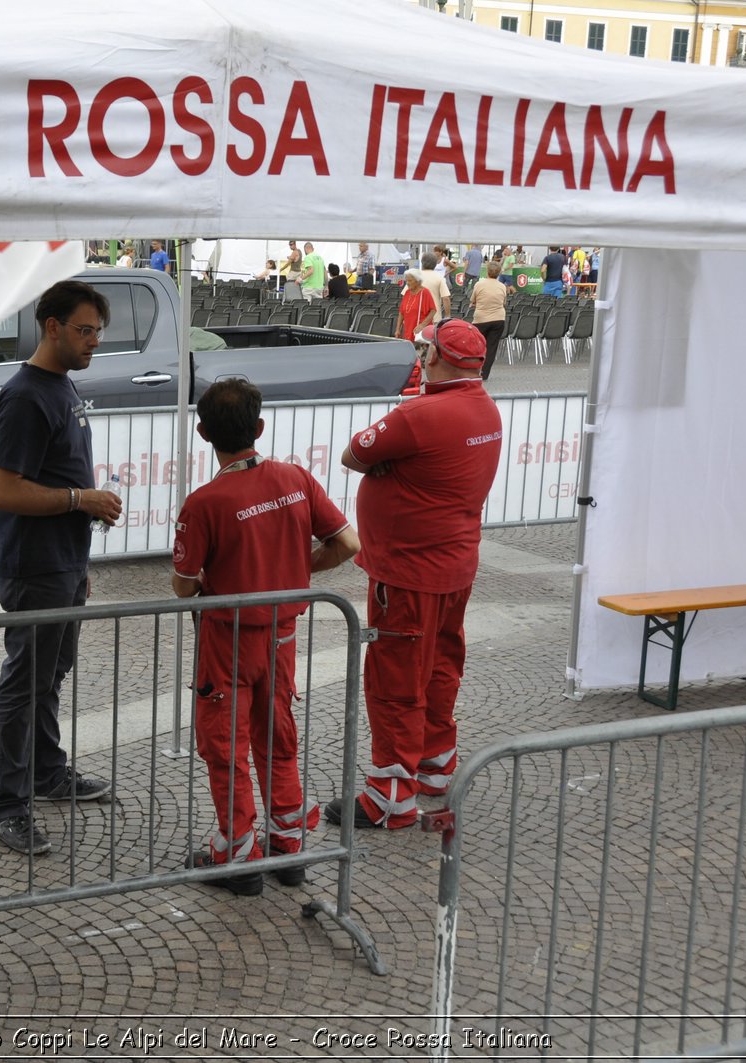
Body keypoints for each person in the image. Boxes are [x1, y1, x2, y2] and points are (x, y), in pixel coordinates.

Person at [172, 379, 360, 894]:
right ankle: (287, 845)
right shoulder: (296, 478)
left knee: (224, 746)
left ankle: (237, 856)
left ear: (204, 432)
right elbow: (347, 543)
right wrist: (299, 566)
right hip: (282, 636)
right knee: (278, 740)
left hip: (228, 642)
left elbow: (183, 588)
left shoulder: (203, 502)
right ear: (259, 428)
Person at [326, 319, 502, 830]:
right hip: (454, 563)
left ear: (439, 358)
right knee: (442, 666)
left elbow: (354, 454)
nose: (421, 356)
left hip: (408, 570)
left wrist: (389, 467)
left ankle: (390, 795)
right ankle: (433, 764)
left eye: (427, 349)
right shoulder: (484, 407)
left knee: (395, 678)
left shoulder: (419, 414)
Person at [0, 280, 123, 855]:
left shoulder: (61, 388)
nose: (93, 341)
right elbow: (3, 491)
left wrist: (80, 551)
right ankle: (8, 807)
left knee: (49, 675)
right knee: (25, 682)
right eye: (85, 330)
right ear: (52, 327)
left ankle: (47, 773)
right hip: (33, 566)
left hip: (63, 563)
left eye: (98, 332)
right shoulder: (25, 397)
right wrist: (80, 501)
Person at [468, 261, 509, 379]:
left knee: (477, 346)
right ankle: (484, 374)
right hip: (498, 319)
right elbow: (504, 303)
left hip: (481, 319)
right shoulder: (502, 286)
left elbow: (473, 300)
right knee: (491, 347)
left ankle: (474, 370)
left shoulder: (479, 284)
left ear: (487, 271)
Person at [396, 269, 437, 343]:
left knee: (419, 352)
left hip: (420, 331)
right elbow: (401, 313)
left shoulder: (425, 292)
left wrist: (422, 325)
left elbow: (433, 310)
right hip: (408, 329)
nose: (407, 283)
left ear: (418, 281)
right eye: (407, 281)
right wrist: (398, 329)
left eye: (410, 281)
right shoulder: (407, 293)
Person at [417, 253, 450, 326]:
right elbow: (445, 298)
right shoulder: (440, 278)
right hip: (434, 317)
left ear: (422, 262)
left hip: (416, 317)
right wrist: (447, 316)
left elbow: (405, 295)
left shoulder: (414, 277)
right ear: (435, 264)